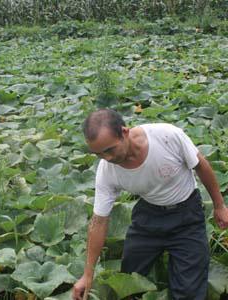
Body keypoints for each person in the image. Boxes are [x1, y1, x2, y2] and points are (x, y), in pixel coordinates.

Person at [72, 109, 228, 300]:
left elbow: (201, 165)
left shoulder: (167, 136)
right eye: (99, 154)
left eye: (110, 149)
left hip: (187, 214)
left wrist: (219, 206)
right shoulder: (107, 171)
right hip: (149, 214)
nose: (107, 158)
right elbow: (99, 222)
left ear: (124, 132)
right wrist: (88, 274)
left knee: (189, 291)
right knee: (129, 278)